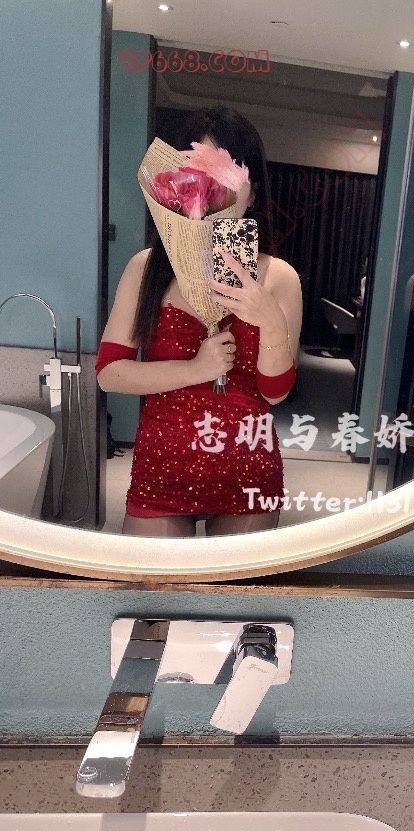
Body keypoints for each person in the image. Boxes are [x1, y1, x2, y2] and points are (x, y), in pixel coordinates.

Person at [96, 105, 303, 537]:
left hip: (248, 468)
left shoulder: (279, 278)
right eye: (197, 176)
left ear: (252, 191)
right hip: (162, 469)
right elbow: (110, 373)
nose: (210, 191)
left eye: (226, 177)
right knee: (152, 583)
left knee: (239, 585)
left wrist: (268, 320)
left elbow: (276, 392)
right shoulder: (145, 269)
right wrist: (196, 369)